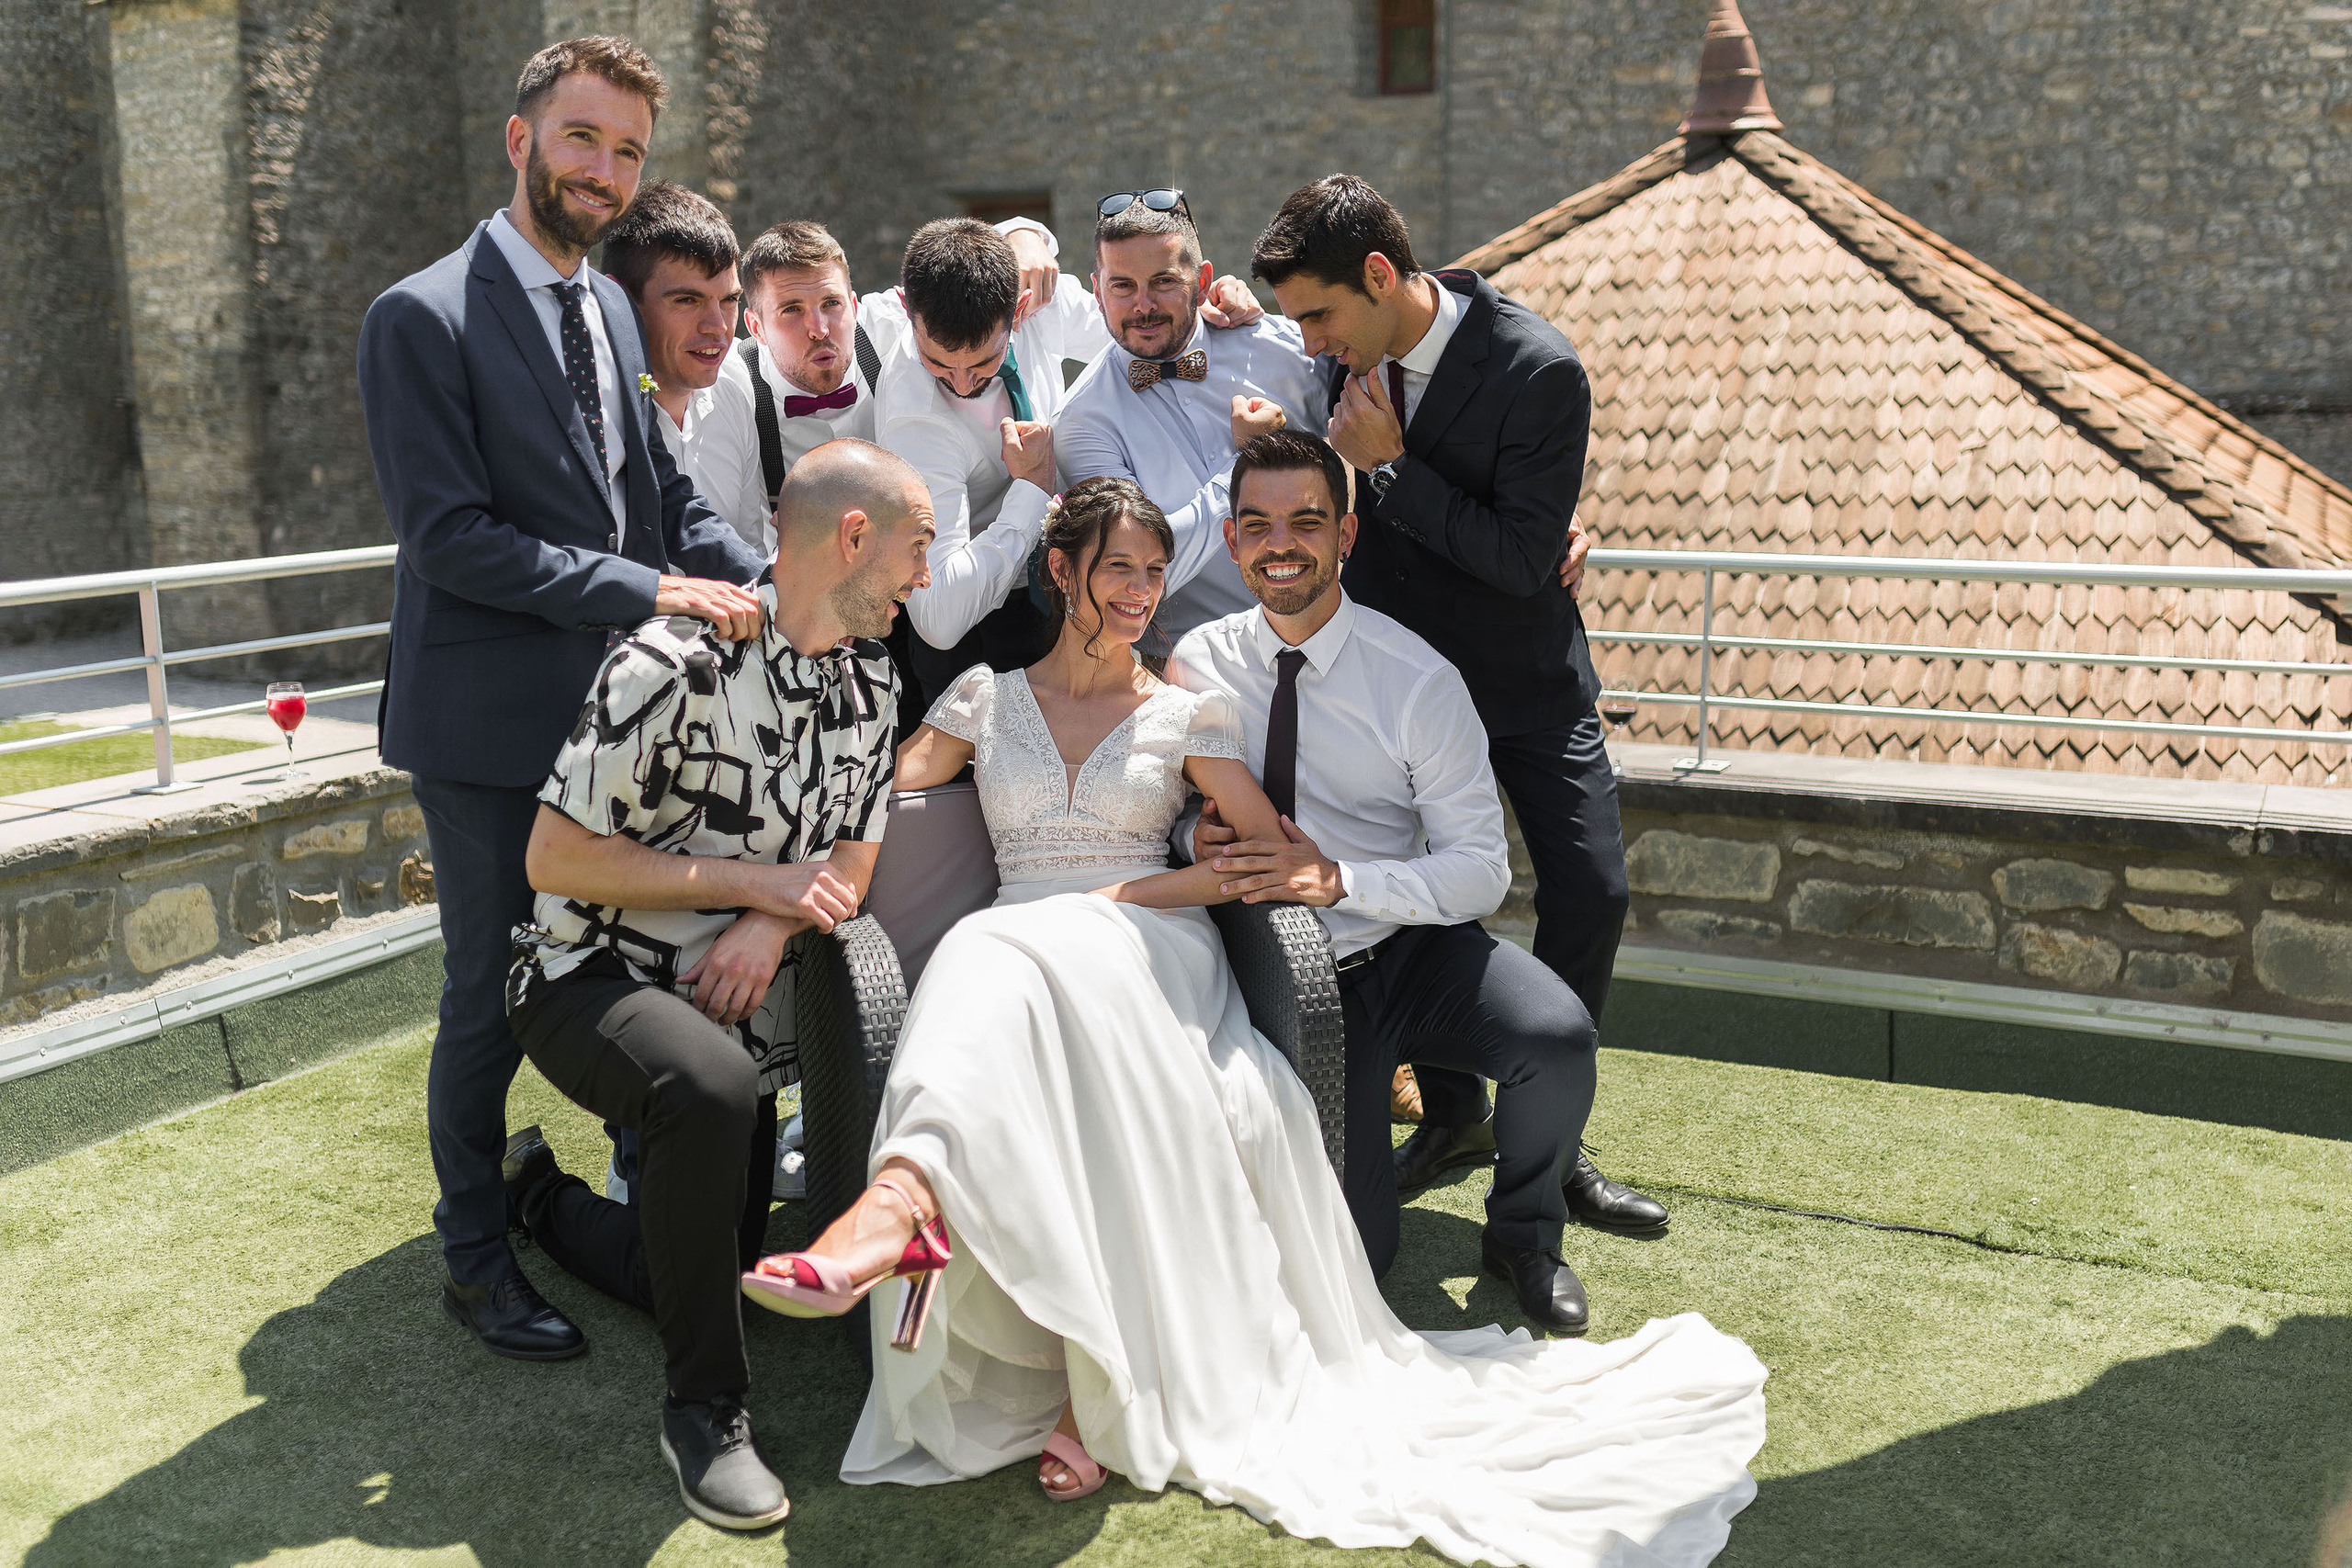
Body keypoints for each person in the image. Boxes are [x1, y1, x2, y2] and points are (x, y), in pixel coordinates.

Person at [741, 472, 1767, 1567]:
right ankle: (921, 1226)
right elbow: (874, 808)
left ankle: (918, 1229)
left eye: (1151, 572)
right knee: (989, 955)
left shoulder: (1186, 711)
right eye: (1116, 570)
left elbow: (1248, 866)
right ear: (1061, 572)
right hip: (1021, 938)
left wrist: (1125, 896)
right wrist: (785, 895)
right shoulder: (981, 699)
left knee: (1003, 957)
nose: (1138, 592)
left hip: (1146, 937)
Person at [356, 36, 766, 1364]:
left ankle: (645, 1196)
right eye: (584, 139)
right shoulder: (417, 316)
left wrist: (773, 579)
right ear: (522, 139)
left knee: (626, 966)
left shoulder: (602, 308)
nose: (606, 170)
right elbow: (453, 540)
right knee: (489, 992)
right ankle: (476, 1256)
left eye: (630, 150)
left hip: (617, 724)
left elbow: (664, 491)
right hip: (483, 737)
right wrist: (651, 589)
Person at [503, 439, 929, 1530]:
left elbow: (853, 859)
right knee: (713, 1089)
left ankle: (538, 1197)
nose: (923, 578)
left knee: (703, 1267)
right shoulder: (668, 661)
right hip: (584, 970)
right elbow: (553, 859)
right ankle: (705, 1413)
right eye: (915, 549)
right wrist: (766, 882)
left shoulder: (874, 679)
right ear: (850, 538)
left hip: (735, 989)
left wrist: (760, 920)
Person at [1251, 174, 1668, 1238]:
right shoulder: (1333, 364)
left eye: (1318, 314)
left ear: (1381, 277)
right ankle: (1453, 1115)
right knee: (1427, 902)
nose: (1307, 340)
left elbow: (1525, 558)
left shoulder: (1538, 368)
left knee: (1592, 891)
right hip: (1394, 696)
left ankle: (1552, 1139)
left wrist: (1388, 470)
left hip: (1526, 680)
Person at [694, 217, 1069, 555]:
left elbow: (958, 266)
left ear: (855, 306)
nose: (819, 329)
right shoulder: (729, 388)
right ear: (756, 326)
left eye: (831, 303)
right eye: (791, 309)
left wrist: (1024, 234)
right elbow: (734, 536)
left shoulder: (892, 324)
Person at [1055, 188, 1323, 639]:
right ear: (1097, 293)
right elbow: (1139, 571)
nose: (1143, 306)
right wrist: (1251, 458)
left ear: (1202, 283)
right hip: (1196, 663)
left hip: (1330, 632)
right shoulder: (1083, 422)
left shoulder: (1288, 351)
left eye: (1163, 282)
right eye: (1122, 286)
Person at [599, 179, 751, 543]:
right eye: (687, 300)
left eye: (730, 300)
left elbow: (750, 544)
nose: (718, 328)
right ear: (617, 298)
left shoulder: (736, 383)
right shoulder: (591, 415)